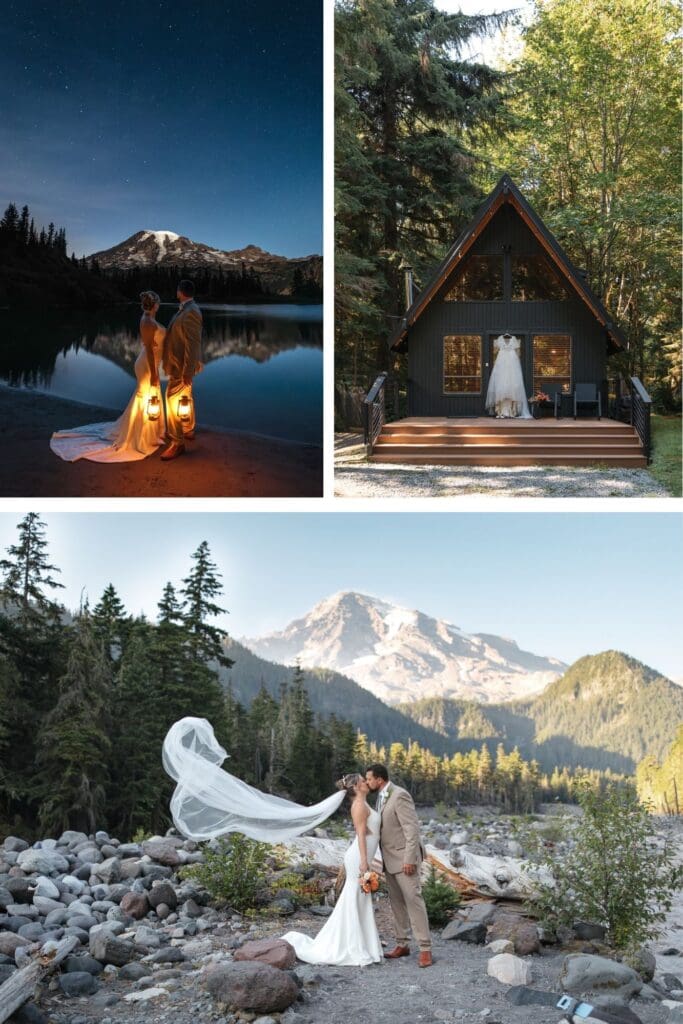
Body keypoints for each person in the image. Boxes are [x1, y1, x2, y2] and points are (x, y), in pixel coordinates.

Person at [50, 290, 167, 462]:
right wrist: (155, 373)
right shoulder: (148, 321)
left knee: (148, 397)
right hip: (147, 365)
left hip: (150, 363)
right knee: (145, 397)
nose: (159, 304)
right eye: (158, 302)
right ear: (155, 304)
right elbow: (149, 349)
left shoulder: (148, 319)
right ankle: (140, 436)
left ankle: (149, 432)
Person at [282, 773, 383, 966]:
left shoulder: (365, 803)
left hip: (364, 855)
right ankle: (353, 946)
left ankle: (363, 944)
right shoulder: (359, 806)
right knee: (355, 897)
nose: (365, 782)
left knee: (359, 898)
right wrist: (364, 861)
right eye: (362, 781)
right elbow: (361, 835)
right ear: (355, 787)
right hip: (358, 858)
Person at [366, 764, 432, 968]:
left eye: (369, 779)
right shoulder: (381, 797)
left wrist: (409, 859)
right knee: (396, 903)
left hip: (404, 859)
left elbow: (412, 830)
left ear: (379, 779)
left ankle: (425, 948)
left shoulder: (400, 795)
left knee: (414, 901)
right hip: (389, 859)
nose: (367, 782)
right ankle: (402, 944)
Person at [160, 279, 202, 461]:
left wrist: (187, 371)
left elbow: (193, 344)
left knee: (170, 398)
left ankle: (177, 442)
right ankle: (188, 429)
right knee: (186, 395)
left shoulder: (191, 311)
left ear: (180, 292)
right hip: (180, 364)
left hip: (181, 366)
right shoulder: (187, 308)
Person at [485, 333, 532, 418]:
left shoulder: (513, 339)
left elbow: (518, 353)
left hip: (512, 366)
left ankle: (511, 411)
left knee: (512, 385)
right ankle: (501, 411)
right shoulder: (500, 339)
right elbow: (496, 351)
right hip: (501, 365)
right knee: (501, 385)